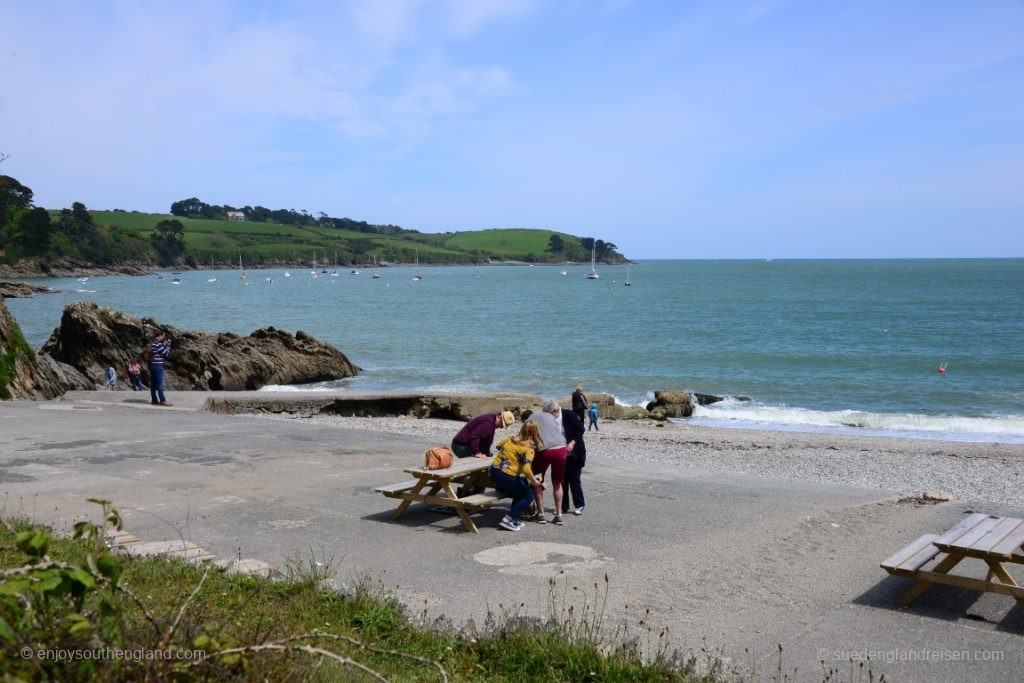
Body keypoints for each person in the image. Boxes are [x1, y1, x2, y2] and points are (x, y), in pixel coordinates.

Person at [489, 421, 545, 532]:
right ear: (535, 433)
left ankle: (514, 518)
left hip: (494, 472)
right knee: (528, 496)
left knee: (520, 491)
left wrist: (509, 457)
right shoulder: (528, 449)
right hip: (507, 476)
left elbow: (498, 445)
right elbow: (526, 469)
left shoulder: (512, 438)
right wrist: (534, 482)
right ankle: (507, 519)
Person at [526, 400, 569, 525]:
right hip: (561, 449)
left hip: (544, 450)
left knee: (537, 480)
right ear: (552, 411)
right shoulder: (553, 419)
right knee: (557, 483)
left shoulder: (532, 417)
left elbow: (528, 435)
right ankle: (559, 515)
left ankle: (541, 514)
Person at [451, 411, 515, 459]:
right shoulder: (488, 423)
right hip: (460, 446)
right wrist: (477, 453)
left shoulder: (492, 419)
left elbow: (487, 440)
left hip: (463, 445)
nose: (501, 427)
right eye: (502, 425)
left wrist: (486, 453)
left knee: (486, 458)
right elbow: (475, 436)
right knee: (479, 460)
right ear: (500, 417)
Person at [561, 405, 586, 516]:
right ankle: (564, 506)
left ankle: (580, 504)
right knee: (563, 481)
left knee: (574, 480)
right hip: (562, 454)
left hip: (576, 452)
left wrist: (572, 442)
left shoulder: (569, 414)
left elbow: (581, 429)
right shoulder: (551, 420)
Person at [147, 332, 173, 406]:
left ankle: (154, 399)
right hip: (157, 366)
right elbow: (165, 353)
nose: (164, 338)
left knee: (153, 384)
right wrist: (168, 346)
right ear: (160, 336)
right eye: (163, 336)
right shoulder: (157, 343)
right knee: (159, 384)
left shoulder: (153, 343)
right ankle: (163, 400)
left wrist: (164, 345)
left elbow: (159, 351)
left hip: (152, 365)